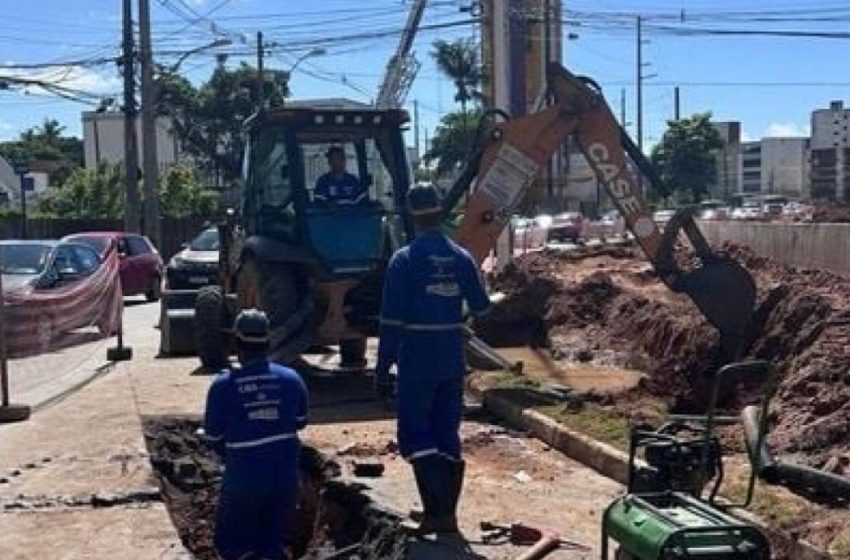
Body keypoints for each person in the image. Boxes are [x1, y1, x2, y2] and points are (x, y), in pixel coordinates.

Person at [375, 184, 491, 535]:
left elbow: (391, 321)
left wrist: (382, 369)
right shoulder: (461, 257)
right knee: (446, 433)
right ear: (441, 213)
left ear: (412, 215)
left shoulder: (404, 260)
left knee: (415, 432)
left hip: (417, 359)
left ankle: (435, 513)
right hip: (450, 359)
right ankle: (445, 516)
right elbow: (482, 306)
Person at [204, 309, 309, 560]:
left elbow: (213, 437)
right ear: (268, 341)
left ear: (235, 343)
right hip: (284, 479)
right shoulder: (292, 379)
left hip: (242, 481)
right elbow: (300, 422)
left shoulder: (223, 386)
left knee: (232, 544)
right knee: (271, 544)